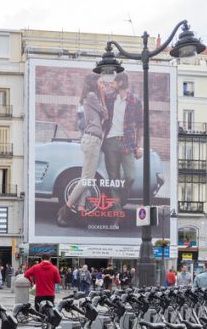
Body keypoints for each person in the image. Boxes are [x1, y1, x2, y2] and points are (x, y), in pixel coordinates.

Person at [57, 73, 108, 226]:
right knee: (86, 179)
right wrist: (103, 94)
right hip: (92, 139)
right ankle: (64, 211)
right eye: (100, 81)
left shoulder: (90, 96)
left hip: (92, 139)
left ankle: (80, 210)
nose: (102, 83)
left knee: (87, 179)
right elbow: (105, 113)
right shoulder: (92, 95)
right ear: (94, 83)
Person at [101, 71, 143, 211]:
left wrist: (139, 146)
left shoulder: (135, 100)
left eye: (113, 82)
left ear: (120, 83)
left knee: (130, 176)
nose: (111, 84)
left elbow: (140, 125)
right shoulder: (108, 97)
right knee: (114, 178)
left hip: (127, 143)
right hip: (110, 142)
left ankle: (122, 200)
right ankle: (116, 211)